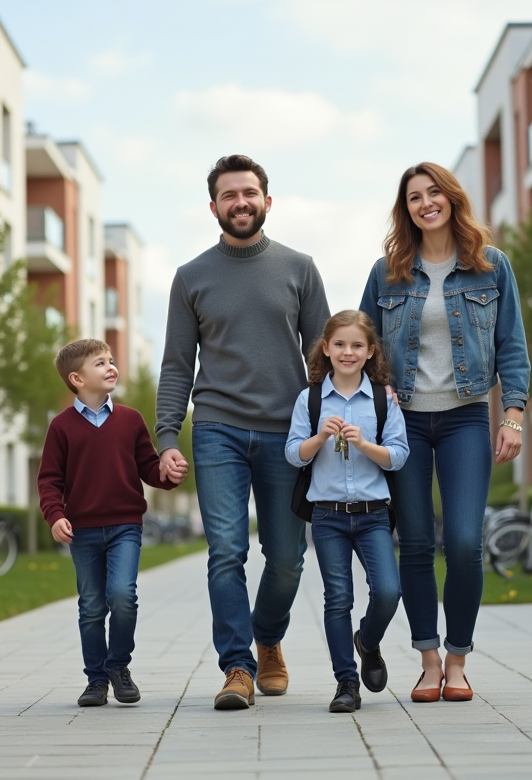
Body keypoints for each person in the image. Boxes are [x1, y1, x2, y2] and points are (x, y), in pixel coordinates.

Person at [156, 154, 331, 710]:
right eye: (229, 195)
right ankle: (237, 666)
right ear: (213, 207)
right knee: (226, 551)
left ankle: (268, 635)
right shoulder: (191, 277)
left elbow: (325, 357)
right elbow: (177, 366)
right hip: (218, 430)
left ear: (267, 201)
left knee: (285, 557)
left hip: (287, 432)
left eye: (249, 193)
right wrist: (166, 437)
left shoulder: (300, 268)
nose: (240, 203)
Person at [360, 162, 530, 702]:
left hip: (464, 416)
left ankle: (459, 660)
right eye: (414, 197)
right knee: (413, 542)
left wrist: (513, 416)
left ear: (452, 198)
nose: (425, 203)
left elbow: (512, 345)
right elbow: (361, 346)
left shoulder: (491, 266)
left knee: (461, 540)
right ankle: (429, 662)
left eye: (434, 192)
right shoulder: (386, 272)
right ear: (405, 209)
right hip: (402, 422)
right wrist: (369, 399)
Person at [38, 339, 188, 708]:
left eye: (110, 360)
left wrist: (168, 474)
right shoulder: (61, 427)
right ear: (76, 378)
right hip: (83, 531)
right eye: (99, 363)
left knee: (122, 596)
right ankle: (96, 680)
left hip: (125, 526)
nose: (110, 367)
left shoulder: (131, 420)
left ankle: (118, 667)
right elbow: (49, 480)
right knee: (91, 606)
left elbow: (149, 469)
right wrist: (55, 515)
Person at [285, 311, 409, 713]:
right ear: (326, 348)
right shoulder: (311, 398)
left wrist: (366, 446)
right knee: (337, 598)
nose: (348, 352)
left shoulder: (382, 397)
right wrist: (321, 435)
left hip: (373, 514)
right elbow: (293, 453)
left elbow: (399, 456)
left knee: (388, 592)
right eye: (339, 344)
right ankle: (346, 682)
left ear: (371, 351)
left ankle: (367, 643)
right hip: (328, 517)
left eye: (357, 345)